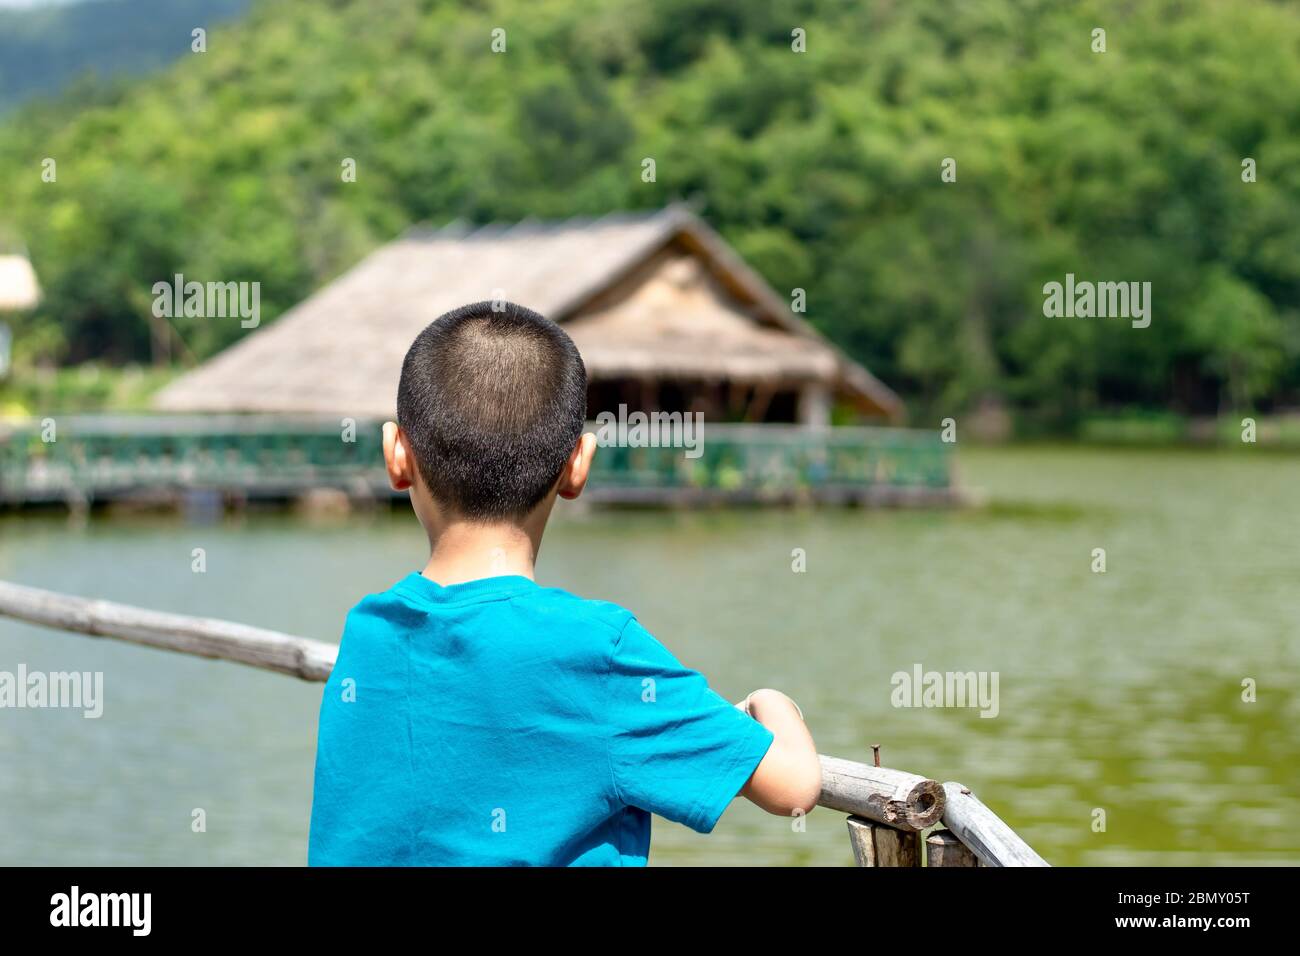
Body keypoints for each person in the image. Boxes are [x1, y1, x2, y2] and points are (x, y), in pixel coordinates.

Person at [308, 301, 820, 865]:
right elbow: (792, 790)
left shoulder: (369, 629)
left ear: (396, 456)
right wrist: (774, 705)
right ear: (578, 466)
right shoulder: (598, 650)